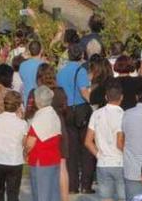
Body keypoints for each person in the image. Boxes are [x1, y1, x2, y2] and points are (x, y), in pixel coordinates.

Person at [56, 43, 93, 194]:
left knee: (70, 149)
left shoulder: (61, 72)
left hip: (67, 110)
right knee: (85, 148)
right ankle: (86, 184)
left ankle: (72, 186)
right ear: (82, 56)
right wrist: (93, 102)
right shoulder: (81, 70)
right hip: (81, 109)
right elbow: (84, 91)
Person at [0, 90, 28, 201]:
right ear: (19, 106)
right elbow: (24, 143)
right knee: (13, 193)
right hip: (14, 160)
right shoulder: (22, 123)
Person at [86, 84, 125, 201]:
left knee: (106, 198)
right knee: (123, 197)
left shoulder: (96, 114)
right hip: (120, 162)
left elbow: (88, 141)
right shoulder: (122, 115)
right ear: (121, 97)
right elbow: (119, 142)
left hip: (102, 163)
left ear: (106, 97)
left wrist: (99, 155)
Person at [25, 85, 62, 201]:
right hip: (54, 158)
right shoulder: (54, 114)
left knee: (41, 195)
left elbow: (30, 142)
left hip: (40, 160)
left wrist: (25, 152)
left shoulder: (39, 118)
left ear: (37, 100)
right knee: (54, 193)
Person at [19, 40, 43, 105]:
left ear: (29, 51)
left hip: (27, 100)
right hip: (41, 101)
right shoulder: (44, 65)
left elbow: (22, 80)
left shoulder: (22, 65)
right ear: (41, 50)